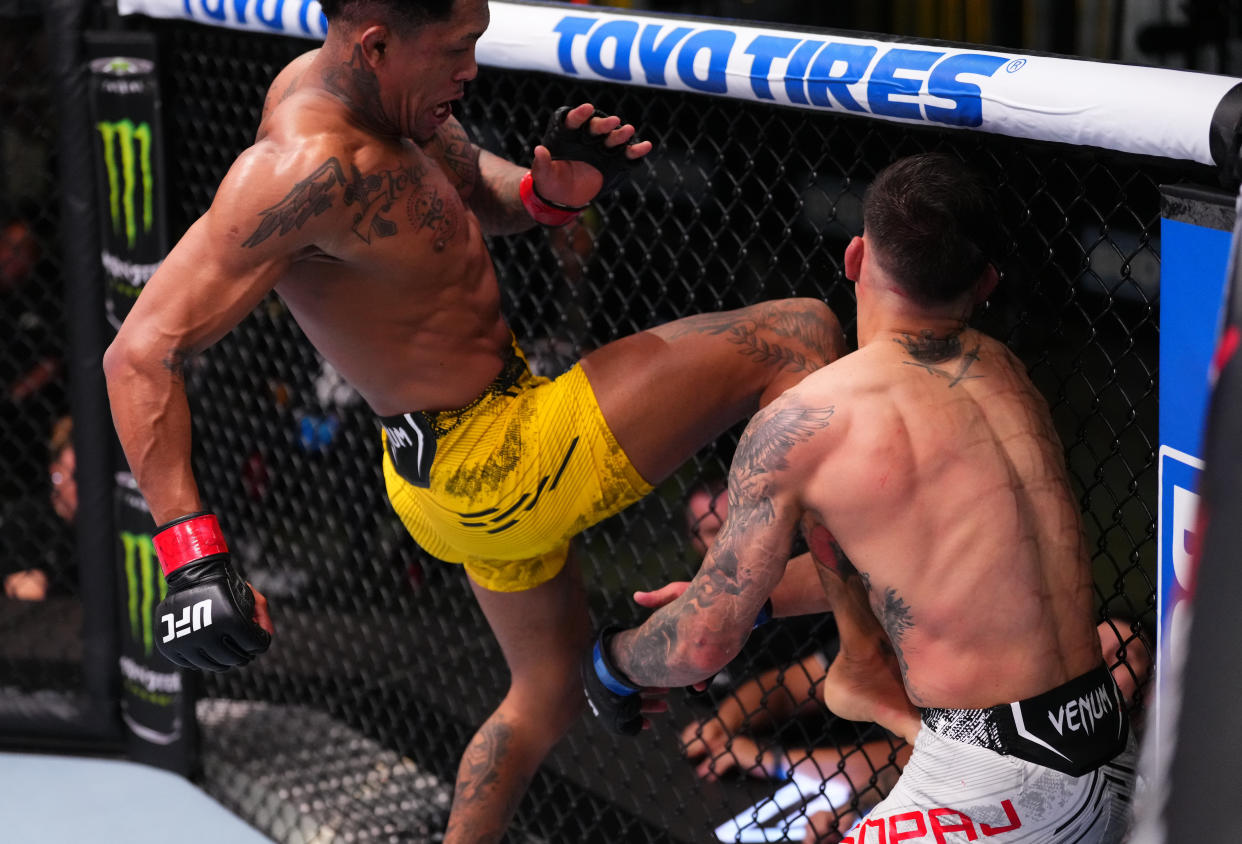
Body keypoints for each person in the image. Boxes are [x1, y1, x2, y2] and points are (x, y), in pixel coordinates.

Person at [101, 1, 846, 840]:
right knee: (800, 333)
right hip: (497, 460)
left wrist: (544, 196)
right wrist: (192, 557)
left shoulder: (389, 102)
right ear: (377, 45)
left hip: (446, 476)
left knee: (547, 692)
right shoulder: (301, 169)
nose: (473, 68)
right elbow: (137, 354)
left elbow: (467, 197)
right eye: (456, 48)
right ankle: (773, 617)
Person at [585, 152, 1137, 842]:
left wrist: (614, 661)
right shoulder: (1007, 375)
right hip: (1101, 738)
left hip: (990, 776)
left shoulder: (807, 419)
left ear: (853, 257)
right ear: (987, 283)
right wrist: (750, 603)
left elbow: (700, 644)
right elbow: (921, 560)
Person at [1, 415, 77, 600]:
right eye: (75, 476)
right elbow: (27, 593)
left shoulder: (113, 521)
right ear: (56, 473)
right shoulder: (26, 518)